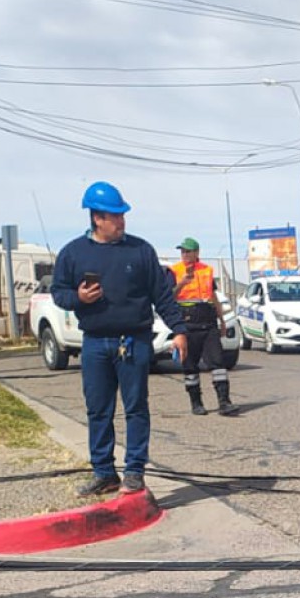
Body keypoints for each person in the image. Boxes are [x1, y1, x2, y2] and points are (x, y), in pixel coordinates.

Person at [49, 181, 189, 496]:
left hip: (134, 341)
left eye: (123, 215)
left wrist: (179, 330)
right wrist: (78, 298)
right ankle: (104, 472)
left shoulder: (140, 250)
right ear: (97, 218)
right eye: (115, 216)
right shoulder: (73, 253)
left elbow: (162, 296)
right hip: (95, 343)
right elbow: (58, 293)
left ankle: (135, 471)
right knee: (98, 408)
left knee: (136, 407)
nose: (122, 221)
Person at [168, 238, 238, 416]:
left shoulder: (206, 270)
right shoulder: (174, 271)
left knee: (218, 362)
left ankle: (224, 402)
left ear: (197, 252)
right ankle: (196, 402)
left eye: (188, 251)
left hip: (208, 321)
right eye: (182, 251)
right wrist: (183, 282)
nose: (185, 255)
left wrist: (221, 320)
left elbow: (213, 296)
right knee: (190, 366)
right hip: (187, 322)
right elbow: (168, 297)